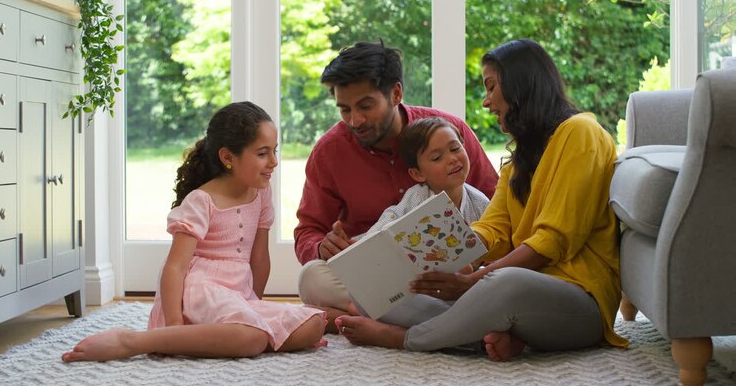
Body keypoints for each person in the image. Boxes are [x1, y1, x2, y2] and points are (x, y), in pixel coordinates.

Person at [335, 39, 629, 361]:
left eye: (491, 88)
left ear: (520, 86)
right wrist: (449, 260)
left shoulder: (580, 132)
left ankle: (407, 339)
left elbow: (553, 240)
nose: (487, 102)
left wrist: (474, 281)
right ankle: (480, 337)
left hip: (579, 301)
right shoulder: (518, 161)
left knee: (504, 282)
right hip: (515, 300)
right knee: (372, 293)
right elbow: (494, 229)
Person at [62, 102, 326, 362]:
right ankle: (134, 341)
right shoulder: (201, 200)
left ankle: (229, 339)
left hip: (236, 294)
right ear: (228, 157)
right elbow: (175, 268)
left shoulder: (261, 193)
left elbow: (259, 257)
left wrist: (254, 305)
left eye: (275, 151)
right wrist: (173, 326)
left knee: (313, 324)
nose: (274, 162)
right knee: (254, 337)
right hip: (200, 291)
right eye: (262, 153)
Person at [295, 41, 499, 331]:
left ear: (396, 93)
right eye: (344, 109)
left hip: (453, 277)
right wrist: (322, 247)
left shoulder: (447, 132)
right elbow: (308, 230)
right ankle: (457, 322)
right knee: (311, 277)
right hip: (376, 277)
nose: (355, 120)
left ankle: (372, 318)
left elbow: (498, 208)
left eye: (366, 106)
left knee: (501, 280)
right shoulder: (329, 152)